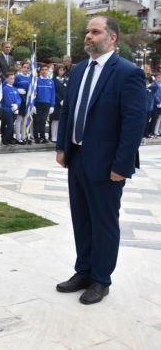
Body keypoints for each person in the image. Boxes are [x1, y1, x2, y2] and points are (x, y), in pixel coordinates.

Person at [56, 16, 146, 305]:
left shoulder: (127, 73)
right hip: (78, 158)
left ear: (112, 38)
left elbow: (134, 122)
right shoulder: (79, 70)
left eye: (95, 32)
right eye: (87, 32)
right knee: (81, 219)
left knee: (104, 222)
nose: (88, 36)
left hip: (108, 165)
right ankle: (83, 271)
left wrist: (122, 165)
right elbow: (68, 110)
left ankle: (101, 280)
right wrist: (62, 148)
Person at [33, 65, 55, 143]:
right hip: (38, 103)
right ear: (40, 71)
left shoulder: (51, 81)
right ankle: (36, 137)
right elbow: (33, 93)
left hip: (47, 104)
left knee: (43, 121)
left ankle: (42, 137)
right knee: (37, 120)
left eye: (46, 70)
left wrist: (52, 105)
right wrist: (33, 105)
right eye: (43, 69)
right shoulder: (36, 80)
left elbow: (53, 94)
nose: (44, 71)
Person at [0, 72, 21, 145]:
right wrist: (13, 106)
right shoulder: (5, 88)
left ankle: (9, 139)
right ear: (7, 79)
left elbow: (18, 98)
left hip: (14, 110)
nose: (12, 80)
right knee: (10, 125)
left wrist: (17, 105)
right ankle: (5, 139)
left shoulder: (15, 89)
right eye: (10, 78)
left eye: (13, 79)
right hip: (7, 110)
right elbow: (6, 99)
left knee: (11, 125)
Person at [14, 61, 31, 144]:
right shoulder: (17, 77)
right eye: (24, 67)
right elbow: (12, 86)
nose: (26, 69)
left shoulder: (30, 77)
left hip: (27, 100)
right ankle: (18, 137)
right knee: (19, 119)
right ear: (21, 67)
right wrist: (18, 90)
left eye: (28, 68)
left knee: (25, 120)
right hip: (20, 100)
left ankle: (24, 136)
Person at [50, 65, 67, 142]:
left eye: (63, 70)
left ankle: (59, 136)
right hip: (56, 103)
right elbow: (54, 92)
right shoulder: (53, 80)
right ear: (56, 71)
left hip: (64, 103)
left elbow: (68, 91)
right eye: (60, 70)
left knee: (61, 120)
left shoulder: (66, 80)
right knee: (55, 120)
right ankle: (53, 136)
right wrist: (60, 100)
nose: (62, 72)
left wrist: (65, 100)